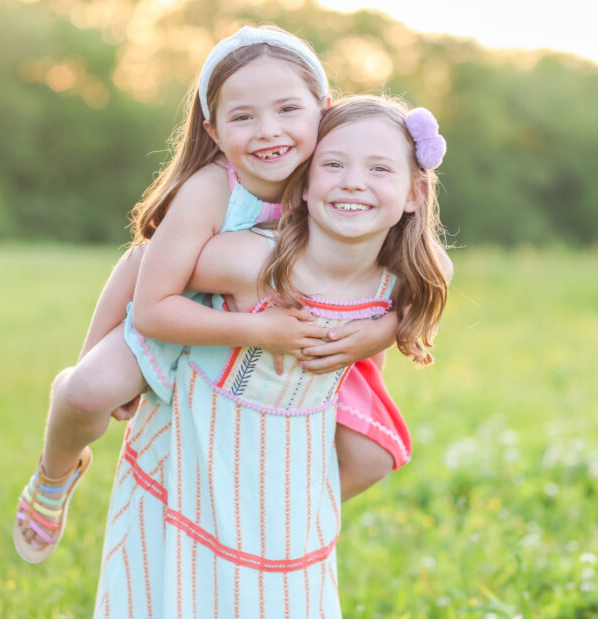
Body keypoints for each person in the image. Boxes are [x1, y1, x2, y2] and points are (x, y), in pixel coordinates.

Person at [13, 27, 405, 564]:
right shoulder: (212, 189)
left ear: (323, 108)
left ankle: (274, 526)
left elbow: (424, 269)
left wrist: (379, 332)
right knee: (88, 391)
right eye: (243, 117)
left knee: (371, 455)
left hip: (295, 340)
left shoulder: (338, 176)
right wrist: (257, 330)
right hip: (191, 317)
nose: (269, 132)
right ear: (214, 131)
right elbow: (146, 292)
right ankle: (54, 476)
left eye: (288, 109)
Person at [94, 95, 451, 617]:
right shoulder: (253, 260)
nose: (354, 181)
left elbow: (435, 274)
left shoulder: (401, 276)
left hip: (289, 466)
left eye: (379, 168)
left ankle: (288, 516)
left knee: (279, 590)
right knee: (186, 589)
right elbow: (148, 264)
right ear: (303, 185)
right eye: (333, 165)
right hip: (211, 433)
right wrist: (102, 357)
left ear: (414, 194)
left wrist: (381, 332)